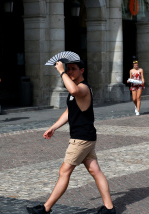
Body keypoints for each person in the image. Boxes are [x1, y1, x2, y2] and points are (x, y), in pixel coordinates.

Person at [26, 59, 116, 214]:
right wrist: (53, 127)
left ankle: (45, 209)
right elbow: (69, 112)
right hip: (85, 136)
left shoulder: (83, 88)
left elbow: (74, 91)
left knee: (64, 171)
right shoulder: (74, 89)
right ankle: (109, 208)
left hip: (81, 138)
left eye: (73, 69)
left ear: (82, 70)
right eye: (68, 69)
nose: (70, 72)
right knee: (95, 171)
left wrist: (61, 72)